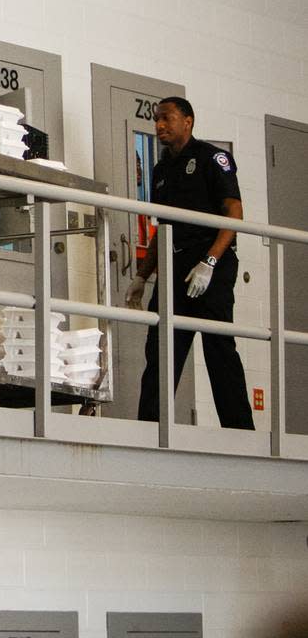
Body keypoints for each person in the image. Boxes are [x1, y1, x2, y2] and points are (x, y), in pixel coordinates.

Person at [124, 97, 254, 430]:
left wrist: (210, 261)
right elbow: (161, 228)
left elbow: (235, 215)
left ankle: (240, 433)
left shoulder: (213, 159)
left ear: (188, 121)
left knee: (219, 349)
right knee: (161, 351)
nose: (159, 125)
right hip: (175, 268)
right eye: (156, 120)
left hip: (213, 263)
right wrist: (141, 276)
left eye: (167, 118)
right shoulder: (161, 169)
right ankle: (149, 430)